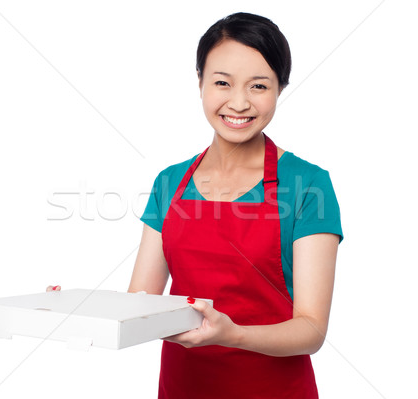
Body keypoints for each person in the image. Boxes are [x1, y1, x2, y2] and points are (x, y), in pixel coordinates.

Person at [128, 12, 343, 399]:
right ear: (200, 83)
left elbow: (311, 330)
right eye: (222, 83)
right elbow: (139, 303)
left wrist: (233, 335)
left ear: (280, 88)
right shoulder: (169, 183)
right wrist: (76, 310)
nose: (239, 103)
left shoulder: (309, 185)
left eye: (259, 86)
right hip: (182, 388)